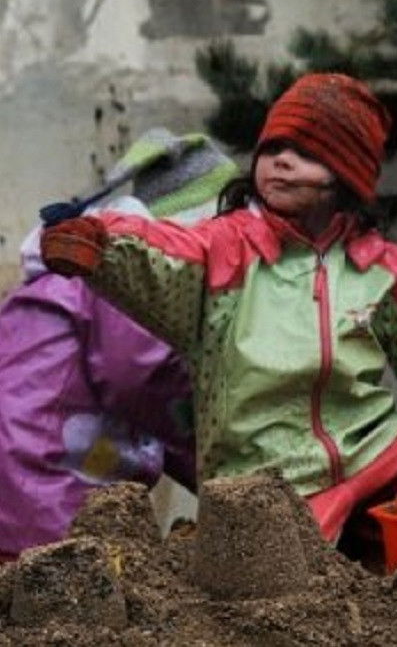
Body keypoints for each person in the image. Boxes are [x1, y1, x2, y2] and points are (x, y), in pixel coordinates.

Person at [40, 74, 397, 544]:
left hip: (368, 456)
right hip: (267, 486)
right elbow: (164, 248)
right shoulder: (225, 249)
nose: (281, 160)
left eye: (305, 153)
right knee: (274, 555)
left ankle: (364, 532)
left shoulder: (381, 269)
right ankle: (336, 537)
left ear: (346, 176)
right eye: (273, 148)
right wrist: (101, 244)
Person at [0, 129, 238, 560]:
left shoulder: (73, 268)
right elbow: (142, 377)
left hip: (27, 460)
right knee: (59, 578)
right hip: (45, 476)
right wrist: (219, 466)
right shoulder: (122, 273)